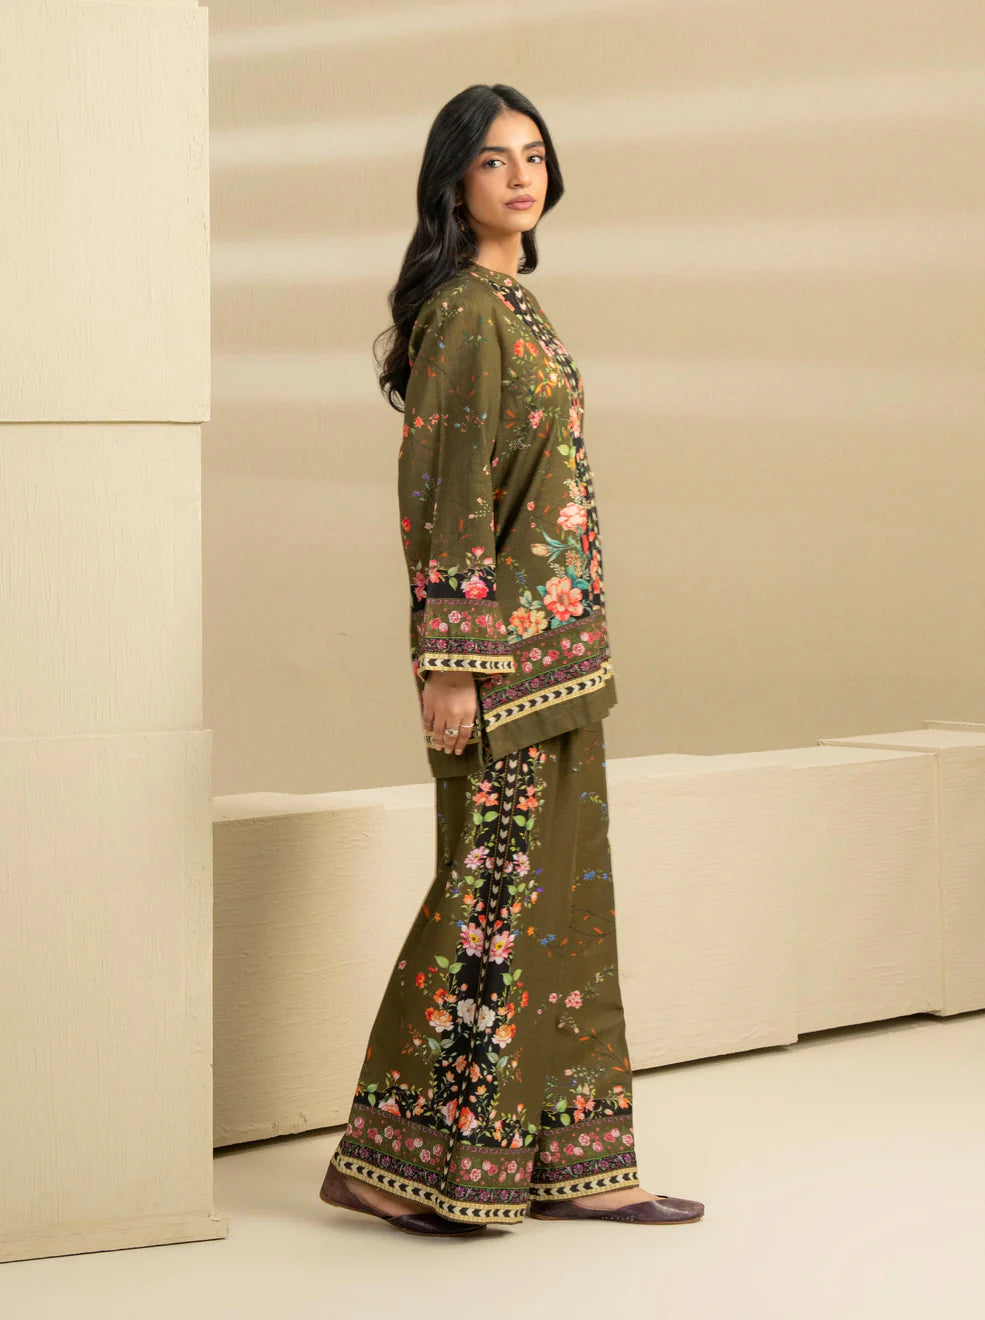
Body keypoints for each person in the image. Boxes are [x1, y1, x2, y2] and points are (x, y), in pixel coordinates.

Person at [319, 84, 705, 1237]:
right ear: (455, 183)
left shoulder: (517, 306)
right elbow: (445, 499)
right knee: (488, 910)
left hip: (564, 660)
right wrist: (451, 661)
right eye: (494, 160)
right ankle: (398, 1162)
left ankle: (577, 1162)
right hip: (496, 671)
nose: (520, 176)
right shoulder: (462, 317)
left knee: (561, 918)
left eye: (534, 155)